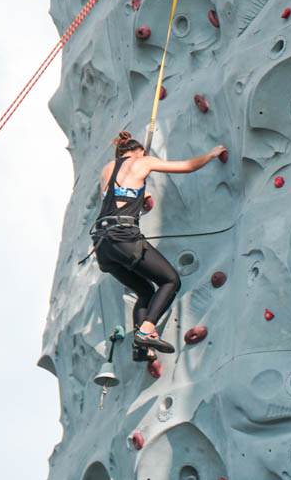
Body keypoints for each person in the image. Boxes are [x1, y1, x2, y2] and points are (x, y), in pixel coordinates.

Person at [91, 131, 226, 358]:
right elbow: (188, 166)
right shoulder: (144, 161)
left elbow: (117, 197)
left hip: (103, 246)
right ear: (140, 152)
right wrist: (211, 155)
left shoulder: (106, 171)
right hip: (124, 238)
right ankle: (147, 330)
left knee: (145, 290)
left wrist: (141, 193)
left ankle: (141, 350)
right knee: (170, 280)